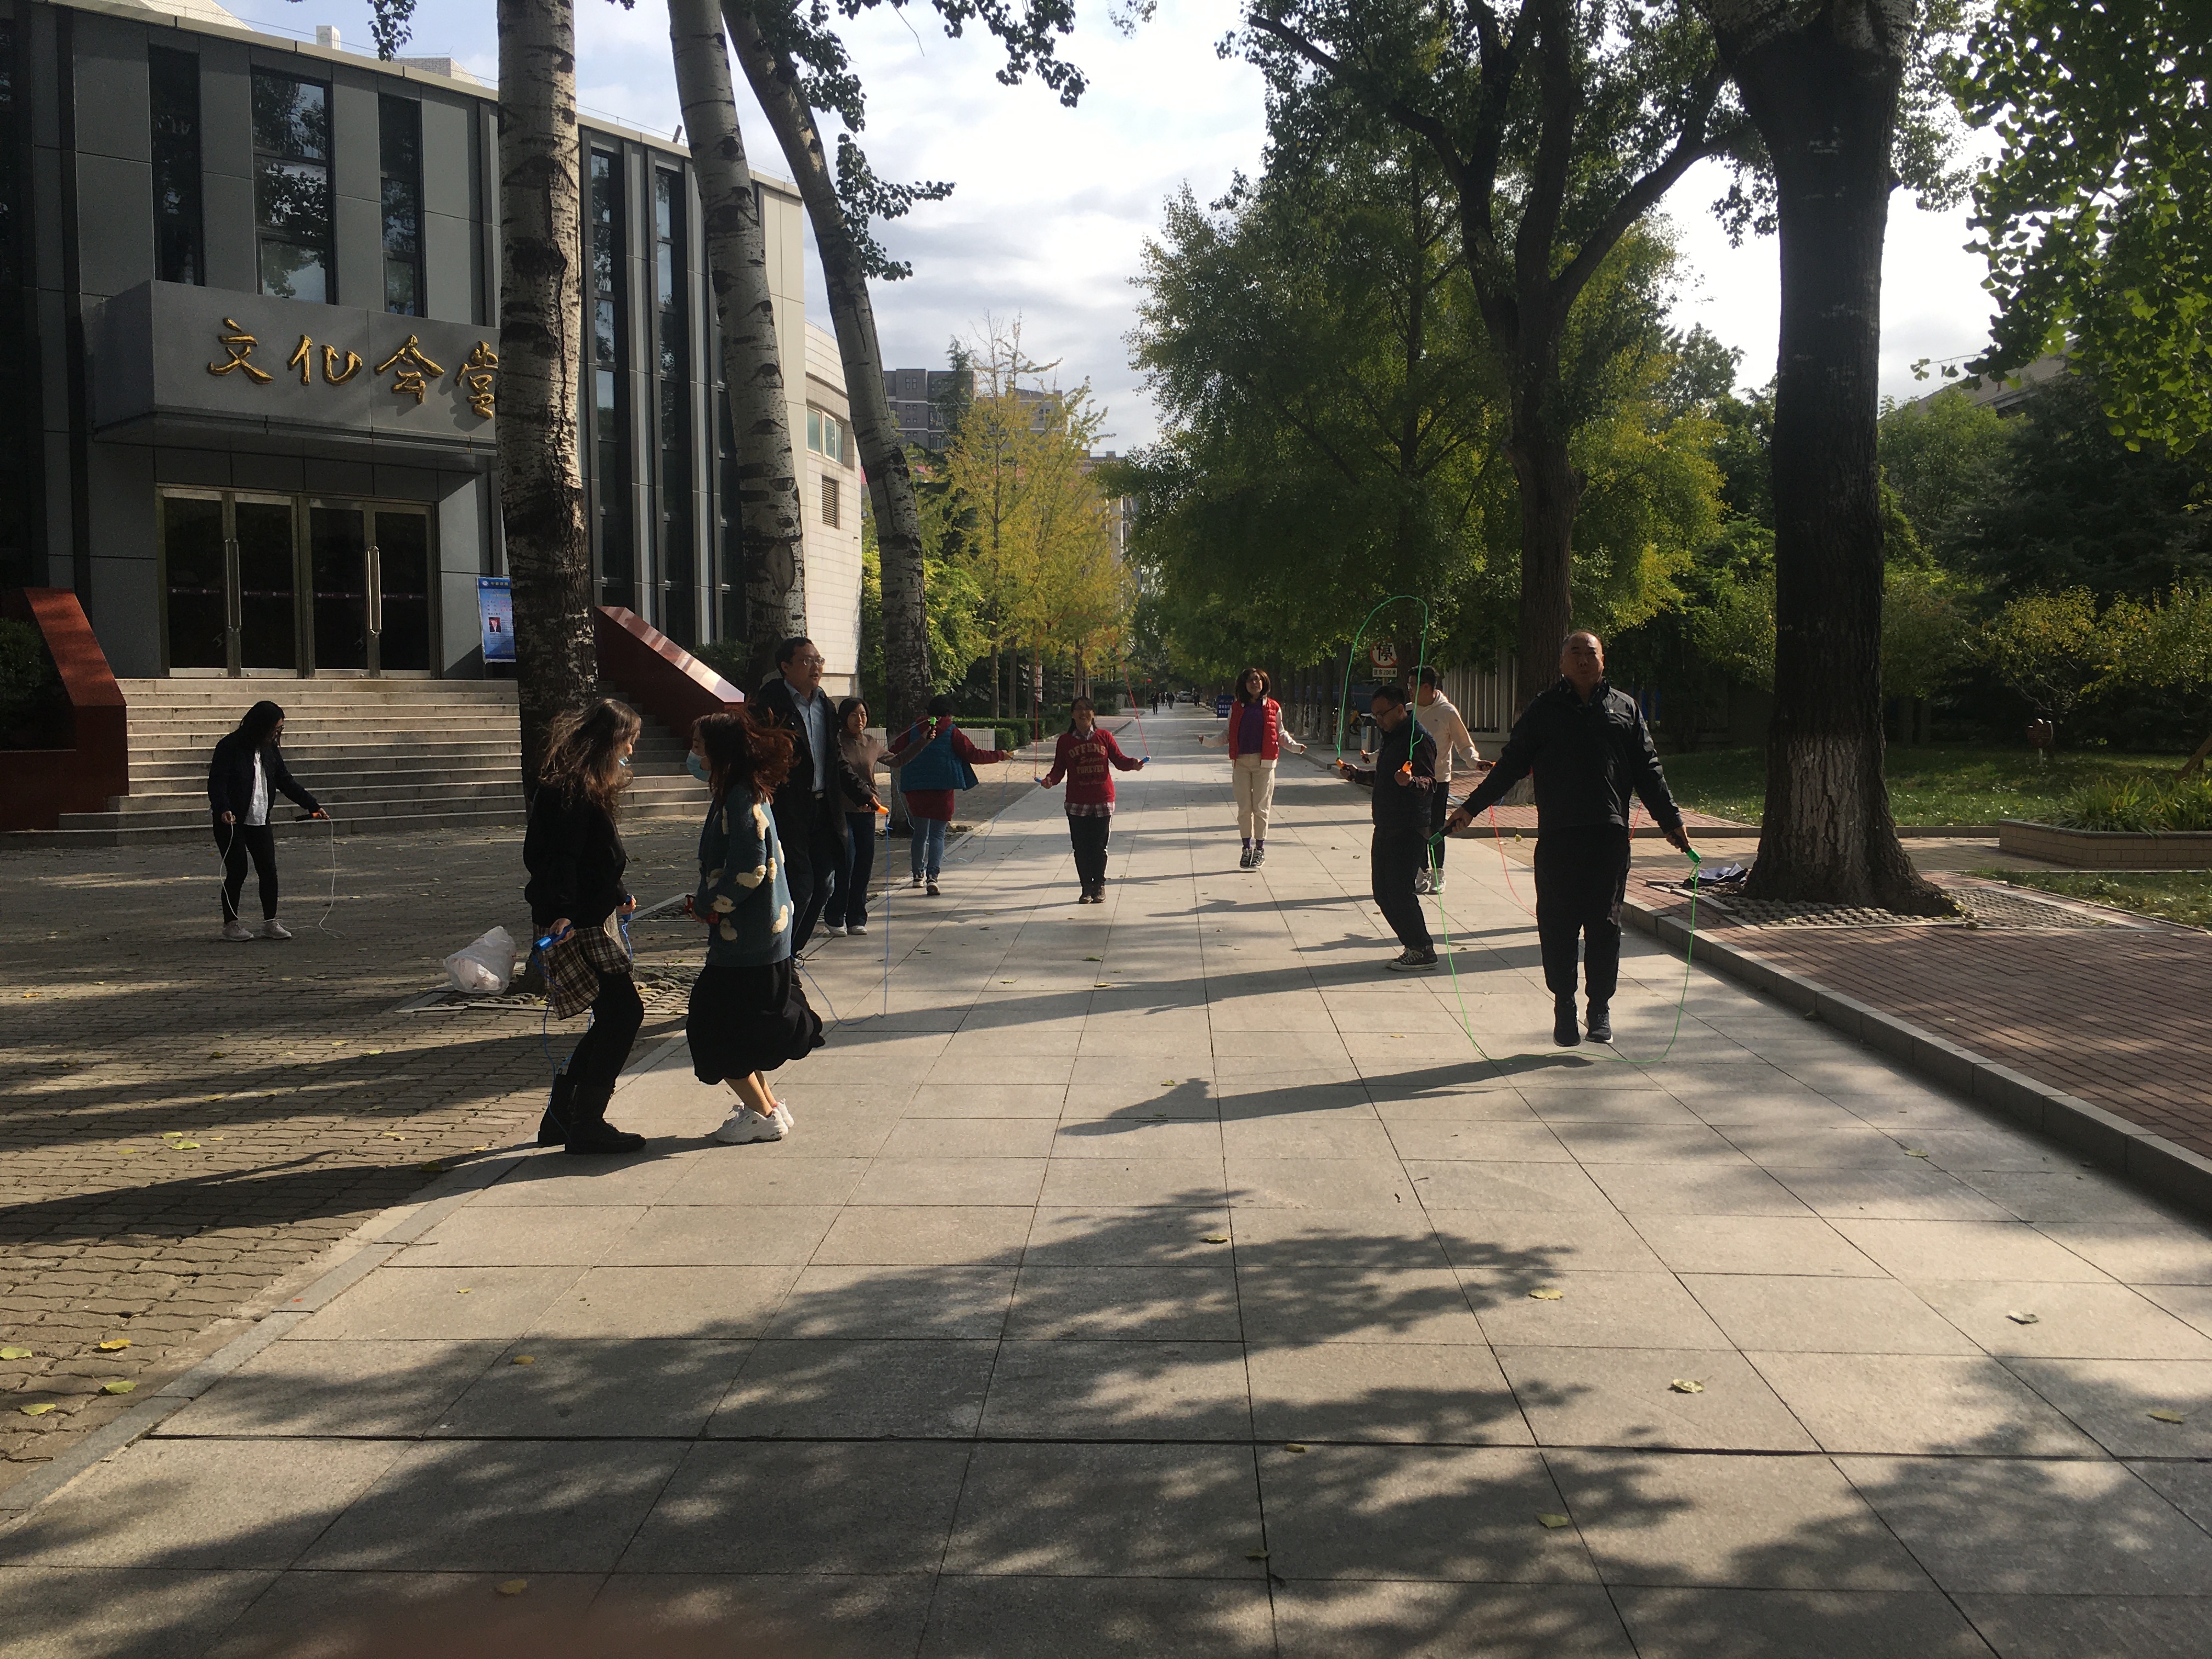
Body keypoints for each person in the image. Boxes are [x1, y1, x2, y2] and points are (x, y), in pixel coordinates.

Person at [1448, 630, 1689, 1047]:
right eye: (1574, 653)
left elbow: (1648, 770)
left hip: (1608, 836)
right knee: (1557, 925)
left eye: (1589, 653)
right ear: (1561, 662)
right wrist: (1471, 808)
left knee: (1605, 925)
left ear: (1602, 660)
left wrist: (1671, 820)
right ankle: (1564, 1002)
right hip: (1559, 836)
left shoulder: (1625, 709)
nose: (1582, 660)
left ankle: (1599, 1008)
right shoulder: (1544, 710)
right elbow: (1511, 766)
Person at [684, 710, 826, 1145]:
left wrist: (709, 904)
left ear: (718, 751)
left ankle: (763, 1116)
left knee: (713, 1030)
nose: (693, 753)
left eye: (698, 745)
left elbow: (749, 868)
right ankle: (766, 1108)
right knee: (741, 1030)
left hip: (746, 940)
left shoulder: (739, 798)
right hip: (761, 936)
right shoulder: (745, 792)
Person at [523, 699, 647, 1154]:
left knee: (615, 1014)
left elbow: (598, 856)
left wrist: (618, 893)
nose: (631, 750)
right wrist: (564, 912)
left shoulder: (581, 784)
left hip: (588, 914)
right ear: (610, 740)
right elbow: (561, 857)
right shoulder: (570, 789)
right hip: (578, 922)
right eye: (629, 741)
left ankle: (563, 1116)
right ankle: (586, 1121)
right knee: (623, 1014)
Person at [748, 636, 851, 953]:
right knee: (801, 886)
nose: (815, 667)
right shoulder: (770, 706)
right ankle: (779, 955)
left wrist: (862, 793)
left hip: (824, 809)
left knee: (825, 885)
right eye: (807, 661)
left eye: (818, 661)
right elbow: (756, 756)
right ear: (786, 667)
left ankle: (791, 953)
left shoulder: (825, 706)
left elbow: (835, 758)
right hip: (788, 808)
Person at [1335, 683, 1438, 972]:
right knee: (1382, 892)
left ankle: (1422, 948)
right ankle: (1413, 945)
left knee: (1400, 891)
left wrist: (1412, 782)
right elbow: (1386, 778)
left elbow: (1431, 783)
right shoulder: (1391, 737)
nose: (1378, 720)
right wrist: (1358, 775)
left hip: (1409, 826)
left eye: (1382, 714)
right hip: (1385, 824)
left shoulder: (1418, 739)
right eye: (1375, 715)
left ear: (1400, 709)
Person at [206, 700, 327, 942]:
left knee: (269, 870)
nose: (277, 734)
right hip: (232, 821)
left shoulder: (270, 749)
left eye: (280, 729)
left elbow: (286, 781)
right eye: (276, 729)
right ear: (261, 726)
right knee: (238, 870)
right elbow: (217, 782)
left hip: (260, 818)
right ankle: (231, 924)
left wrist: (312, 805)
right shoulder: (229, 746)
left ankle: (270, 922)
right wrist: (223, 808)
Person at [887, 694, 1012, 896]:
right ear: (948, 714)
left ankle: (917, 875)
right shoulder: (952, 731)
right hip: (943, 788)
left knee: (920, 833)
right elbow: (973, 754)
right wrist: (1000, 755)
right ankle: (933, 877)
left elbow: (894, 751)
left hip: (916, 787)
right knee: (937, 834)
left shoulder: (914, 728)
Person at [1042, 695, 1147, 901]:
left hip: (1102, 801)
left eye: (1087, 708)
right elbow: (1059, 769)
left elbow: (1119, 760)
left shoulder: (1104, 737)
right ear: (1072, 715)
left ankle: (1099, 885)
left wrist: (1133, 764)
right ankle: (1086, 888)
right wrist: (1050, 780)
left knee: (1099, 847)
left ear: (1093, 713)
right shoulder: (1065, 741)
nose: (1083, 712)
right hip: (1076, 803)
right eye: (1078, 709)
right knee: (1081, 847)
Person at [1199, 666, 1306, 868]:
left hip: (1264, 764)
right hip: (1241, 763)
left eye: (1257, 679)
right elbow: (1227, 734)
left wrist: (1294, 747)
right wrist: (1208, 742)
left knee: (1261, 808)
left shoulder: (1273, 707)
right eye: (1250, 680)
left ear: (1264, 682)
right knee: (1244, 808)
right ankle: (1246, 849)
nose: (1254, 683)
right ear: (1244, 685)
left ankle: (1260, 849)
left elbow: (1280, 733)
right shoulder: (1236, 708)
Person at [1414, 666, 1484, 895]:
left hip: (1439, 780)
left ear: (1426, 687)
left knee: (1436, 828)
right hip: (1414, 781)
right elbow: (1394, 744)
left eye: (1413, 685)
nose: (1409, 690)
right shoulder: (1408, 711)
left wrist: (1475, 762)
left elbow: (1464, 745)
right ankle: (1420, 871)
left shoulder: (1447, 712)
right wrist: (1372, 757)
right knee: (1417, 827)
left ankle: (1438, 873)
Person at [821, 697, 886, 938]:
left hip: (867, 812)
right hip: (841, 812)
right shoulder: (835, 742)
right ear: (843, 717)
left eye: (863, 715)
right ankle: (834, 916)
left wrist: (923, 740)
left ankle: (857, 917)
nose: (859, 720)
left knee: (864, 865)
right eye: (854, 715)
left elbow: (898, 759)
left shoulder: (871, 743)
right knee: (845, 864)